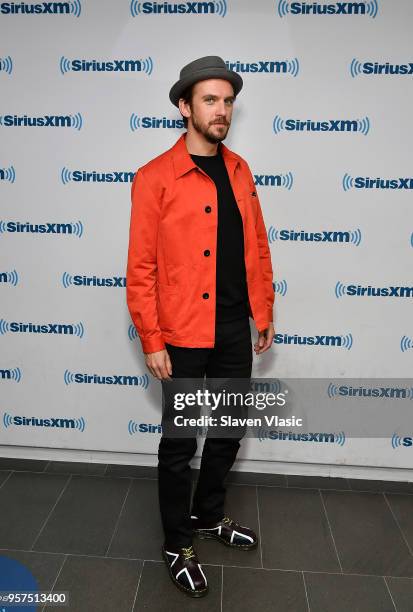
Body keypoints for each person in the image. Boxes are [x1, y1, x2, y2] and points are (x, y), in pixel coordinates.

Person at [126, 55, 275, 598]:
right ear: (185, 107)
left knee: (229, 431)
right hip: (183, 333)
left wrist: (265, 310)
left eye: (228, 100)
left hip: (236, 326)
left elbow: (256, 245)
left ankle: (209, 515)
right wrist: (152, 340)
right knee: (179, 442)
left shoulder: (240, 170)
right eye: (210, 100)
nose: (222, 110)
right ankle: (176, 541)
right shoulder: (154, 178)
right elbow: (140, 268)